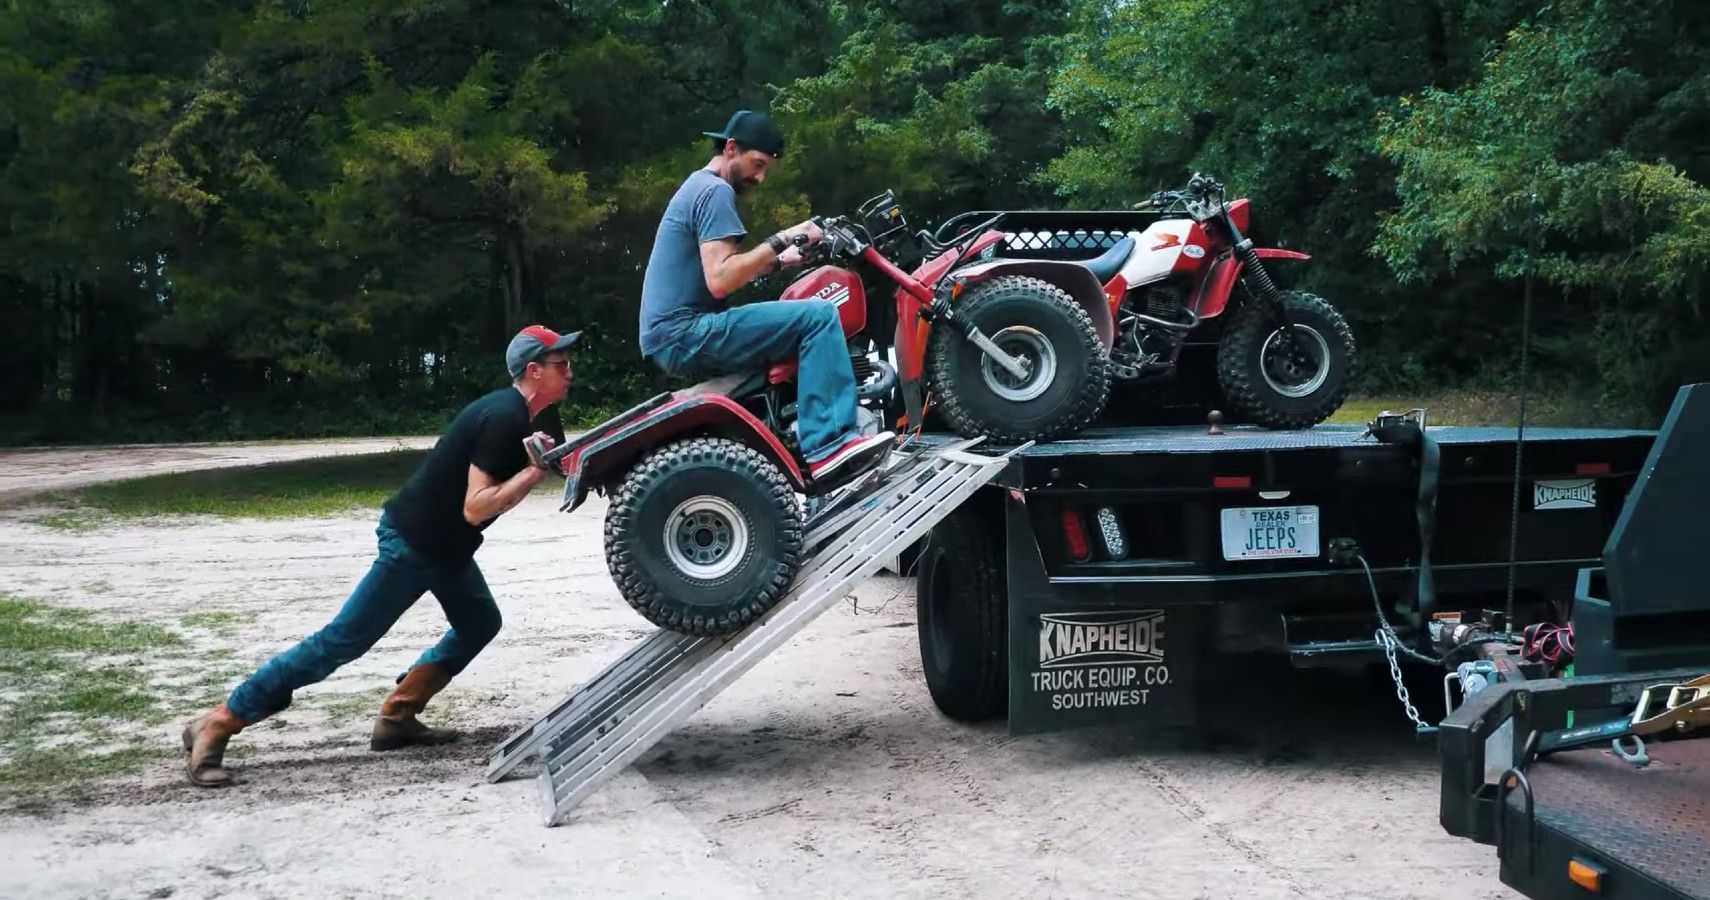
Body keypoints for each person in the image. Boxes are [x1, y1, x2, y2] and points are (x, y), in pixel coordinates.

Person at [180, 326, 578, 787]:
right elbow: (476, 507)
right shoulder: (504, 417)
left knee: (479, 622)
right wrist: (532, 473)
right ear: (534, 370)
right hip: (414, 542)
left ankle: (397, 717)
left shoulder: (542, 418)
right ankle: (218, 722)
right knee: (342, 641)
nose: (570, 372)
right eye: (561, 364)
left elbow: (570, 463)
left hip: (448, 547)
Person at [638, 109, 892, 484]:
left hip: (673, 333)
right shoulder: (715, 190)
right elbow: (721, 280)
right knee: (818, 316)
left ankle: (801, 436)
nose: (759, 177)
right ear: (730, 148)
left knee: (799, 319)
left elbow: (721, 268)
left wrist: (778, 262)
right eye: (757, 164)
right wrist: (784, 237)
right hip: (684, 332)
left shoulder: (698, 186)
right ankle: (829, 446)